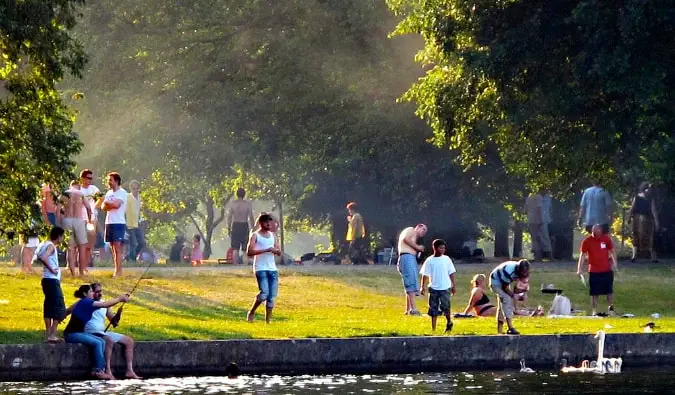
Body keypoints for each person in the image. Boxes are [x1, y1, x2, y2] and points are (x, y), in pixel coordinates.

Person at [63, 284, 129, 380]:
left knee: (102, 341)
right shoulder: (86, 302)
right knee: (98, 343)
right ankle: (99, 371)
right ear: (85, 294)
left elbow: (68, 311)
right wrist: (120, 298)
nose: (93, 293)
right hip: (71, 334)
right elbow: (104, 304)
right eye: (91, 291)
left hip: (79, 333)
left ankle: (96, 370)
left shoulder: (86, 302)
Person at [85, 283, 141, 379]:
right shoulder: (88, 303)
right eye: (97, 292)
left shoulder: (105, 304)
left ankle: (130, 371)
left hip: (102, 332)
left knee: (129, 341)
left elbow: (114, 322)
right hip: (91, 332)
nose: (100, 294)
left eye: (101, 291)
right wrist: (119, 299)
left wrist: (118, 314)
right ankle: (108, 370)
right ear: (92, 292)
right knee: (109, 340)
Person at [246, 214, 281, 324]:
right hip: (260, 268)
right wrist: (266, 250)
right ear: (261, 223)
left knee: (271, 297)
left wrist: (276, 251)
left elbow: (278, 250)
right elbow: (249, 252)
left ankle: (268, 321)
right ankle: (251, 312)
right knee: (264, 293)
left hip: (272, 268)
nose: (269, 224)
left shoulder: (273, 236)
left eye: (270, 222)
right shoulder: (255, 235)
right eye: (266, 222)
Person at [577, 224, 618, 316]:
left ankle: (611, 310)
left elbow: (612, 251)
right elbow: (582, 255)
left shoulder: (606, 239)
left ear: (600, 230)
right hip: (594, 271)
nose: (594, 233)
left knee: (609, 292)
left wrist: (615, 263)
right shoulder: (587, 241)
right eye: (593, 231)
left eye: (596, 230)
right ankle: (594, 311)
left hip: (606, 270)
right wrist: (579, 268)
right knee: (594, 292)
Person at [37, 226, 67, 343]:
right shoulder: (51, 246)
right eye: (62, 236)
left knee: (49, 306)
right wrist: (52, 269)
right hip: (51, 280)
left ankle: (48, 334)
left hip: (46, 280)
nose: (62, 238)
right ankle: (52, 334)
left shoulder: (45, 244)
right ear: (58, 236)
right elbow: (43, 257)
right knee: (58, 306)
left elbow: (40, 256)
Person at [419, 239, 456, 332]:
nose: (442, 250)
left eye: (444, 248)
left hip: (445, 287)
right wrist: (422, 286)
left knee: (446, 307)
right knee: (433, 309)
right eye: (440, 248)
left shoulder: (446, 259)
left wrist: (453, 285)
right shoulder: (429, 260)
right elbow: (425, 274)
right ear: (434, 248)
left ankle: (449, 323)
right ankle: (433, 329)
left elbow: (451, 273)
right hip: (433, 288)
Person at [97, 172, 127, 277]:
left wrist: (108, 204)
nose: (108, 182)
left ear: (116, 181)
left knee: (118, 247)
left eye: (110, 180)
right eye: (108, 180)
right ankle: (116, 269)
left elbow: (116, 205)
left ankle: (119, 271)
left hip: (118, 222)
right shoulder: (109, 193)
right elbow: (103, 207)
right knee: (112, 247)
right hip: (109, 222)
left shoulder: (122, 192)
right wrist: (109, 204)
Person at [489, 259, 530, 335]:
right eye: (522, 272)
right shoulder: (508, 271)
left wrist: (521, 295)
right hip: (496, 282)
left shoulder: (522, 270)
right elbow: (505, 288)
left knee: (503, 306)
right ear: (518, 269)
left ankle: (499, 332)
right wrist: (514, 296)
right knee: (506, 299)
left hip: (505, 283)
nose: (523, 274)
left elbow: (519, 287)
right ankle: (510, 328)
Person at [397, 223, 428, 316]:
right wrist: (418, 247)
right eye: (423, 229)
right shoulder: (410, 230)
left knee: (410, 282)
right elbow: (405, 239)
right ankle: (413, 309)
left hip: (409, 258)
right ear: (418, 227)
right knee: (410, 282)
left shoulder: (414, 237)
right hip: (406, 257)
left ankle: (408, 309)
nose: (424, 232)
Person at [62, 180, 91, 276]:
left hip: (68, 220)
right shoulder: (81, 194)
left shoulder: (65, 194)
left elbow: (57, 209)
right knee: (82, 248)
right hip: (79, 220)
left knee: (70, 248)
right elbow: (89, 208)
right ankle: (82, 272)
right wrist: (89, 220)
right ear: (79, 187)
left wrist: (59, 221)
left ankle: (73, 272)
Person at [628, 182, 659, 262]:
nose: (648, 190)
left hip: (639, 219)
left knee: (640, 236)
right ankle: (635, 256)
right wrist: (656, 221)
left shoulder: (638, 197)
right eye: (647, 188)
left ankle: (636, 256)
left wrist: (629, 218)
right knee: (648, 236)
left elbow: (632, 208)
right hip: (644, 219)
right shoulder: (648, 198)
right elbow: (653, 210)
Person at [79, 169, 102, 266]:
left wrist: (94, 206)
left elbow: (101, 198)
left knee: (89, 244)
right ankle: (76, 263)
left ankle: (85, 265)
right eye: (88, 178)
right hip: (80, 218)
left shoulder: (94, 189)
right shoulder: (78, 189)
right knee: (79, 243)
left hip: (91, 219)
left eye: (91, 178)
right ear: (82, 178)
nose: (90, 180)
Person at [227, 188, 254, 264]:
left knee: (235, 248)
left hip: (235, 225)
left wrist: (229, 228)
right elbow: (251, 217)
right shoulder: (247, 204)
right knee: (245, 250)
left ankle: (235, 266)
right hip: (244, 225)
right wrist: (253, 228)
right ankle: (245, 266)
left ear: (236, 194)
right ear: (244, 194)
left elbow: (229, 217)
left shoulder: (233, 204)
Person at [524, 190, 551, 261]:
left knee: (534, 239)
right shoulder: (538, 197)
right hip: (538, 221)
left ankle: (537, 257)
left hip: (531, 221)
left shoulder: (529, 197)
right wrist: (541, 220)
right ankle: (549, 256)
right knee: (544, 238)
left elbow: (525, 210)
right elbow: (539, 208)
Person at [125, 180, 145, 261]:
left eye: (137, 188)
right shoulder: (128, 197)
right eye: (133, 188)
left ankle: (129, 257)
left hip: (137, 223)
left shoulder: (139, 198)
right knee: (133, 243)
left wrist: (141, 219)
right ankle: (132, 260)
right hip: (129, 224)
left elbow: (139, 210)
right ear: (130, 189)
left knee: (142, 243)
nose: (135, 190)